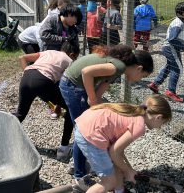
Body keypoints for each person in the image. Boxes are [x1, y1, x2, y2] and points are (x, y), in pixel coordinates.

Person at [59, 44, 154, 180]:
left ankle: (80, 164)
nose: (140, 80)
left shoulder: (118, 68)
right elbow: (86, 72)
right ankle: (79, 175)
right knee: (84, 132)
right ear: (139, 68)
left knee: (86, 127)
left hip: (73, 84)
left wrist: (96, 104)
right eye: (143, 76)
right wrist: (92, 99)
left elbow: (103, 86)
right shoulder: (119, 66)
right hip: (72, 85)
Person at [73, 95, 172, 193]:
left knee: (117, 164)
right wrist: (128, 171)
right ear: (158, 117)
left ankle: (119, 190)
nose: (159, 127)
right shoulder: (139, 126)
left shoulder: (134, 111)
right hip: (91, 136)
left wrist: (127, 168)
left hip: (85, 124)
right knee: (109, 182)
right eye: (162, 123)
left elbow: (118, 152)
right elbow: (114, 152)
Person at [13, 41, 80, 161]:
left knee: (21, 113)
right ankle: (64, 149)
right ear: (72, 54)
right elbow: (64, 85)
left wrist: (26, 72)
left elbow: (22, 57)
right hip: (43, 81)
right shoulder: (69, 61)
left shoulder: (49, 52)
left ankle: (1, 135)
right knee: (70, 110)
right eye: (75, 57)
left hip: (27, 76)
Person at [148, 1, 184, 102]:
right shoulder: (178, 23)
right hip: (170, 47)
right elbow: (172, 39)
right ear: (181, 13)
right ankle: (171, 91)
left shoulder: (180, 21)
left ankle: (155, 84)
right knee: (178, 69)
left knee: (169, 66)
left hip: (171, 48)